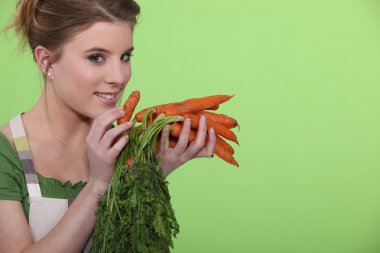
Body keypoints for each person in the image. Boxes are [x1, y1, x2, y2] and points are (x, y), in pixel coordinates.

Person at [0, 0, 216, 252]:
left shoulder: (130, 145)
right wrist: (98, 185)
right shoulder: (7, 153)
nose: (119, 76)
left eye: (125, 56)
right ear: (46, 61)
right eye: (96, 57)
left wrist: (150, 177)